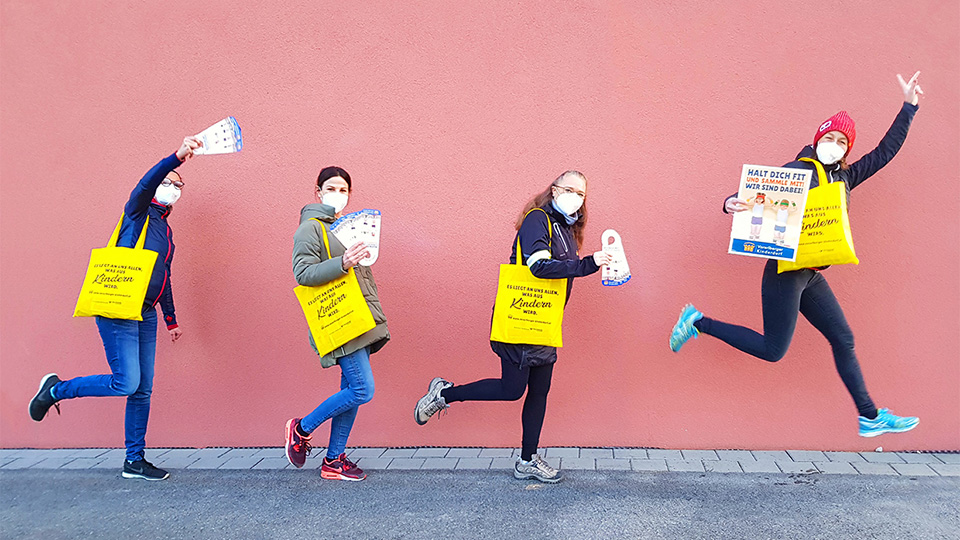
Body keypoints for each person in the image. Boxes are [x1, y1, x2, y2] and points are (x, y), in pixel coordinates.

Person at [669, 72, 924, 438]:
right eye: (829, 138)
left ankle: (869, 416)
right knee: (773, 350)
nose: (835, 145)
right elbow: (755, 199)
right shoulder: (796, 172)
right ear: (818, 139)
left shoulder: (845, 178)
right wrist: (729, 204)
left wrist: (909, 107)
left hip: (811, 274)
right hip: (786, 272)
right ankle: (697, 322)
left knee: (843, 338)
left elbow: (884, 153)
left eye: (842, 141)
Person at [414, 171, 612, 483]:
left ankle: (527, 460)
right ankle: (445, 394)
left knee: (540, 391)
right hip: (522, 317)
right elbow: (538, 267)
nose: (575, 196)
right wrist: (590, 263)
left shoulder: (565, 228)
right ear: (554, 189)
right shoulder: (538, 218)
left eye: (581, 193)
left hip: (544, 321)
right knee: (512, 389)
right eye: (569, 189)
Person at [28, 136, 203, 480]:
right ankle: (56, 389)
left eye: (178, 185)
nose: (173, 188)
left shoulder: (165, 231)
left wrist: (171, 320)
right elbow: (144, 183)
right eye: (168, 183)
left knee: (142, 389)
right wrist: (176, 158)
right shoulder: (137, 213)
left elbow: (162, 276)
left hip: (146, 314)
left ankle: (133, 461)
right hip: (118, 309)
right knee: (126, 382)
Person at [283, 166, 389, 482]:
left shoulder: (346, 227)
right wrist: (342, 263)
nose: (338, 195)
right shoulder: (310, 229)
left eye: (343, 190)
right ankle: (301, 429)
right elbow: (302, 274)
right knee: (362, 389)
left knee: (351, 389)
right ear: (317, 191)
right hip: (339, 321)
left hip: (358, 319)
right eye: (331, 188)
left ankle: (333, 460)